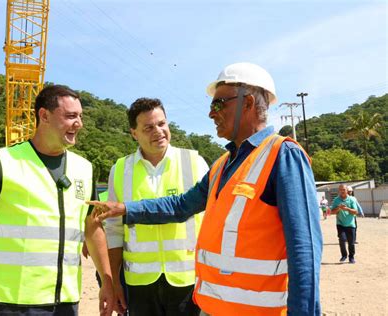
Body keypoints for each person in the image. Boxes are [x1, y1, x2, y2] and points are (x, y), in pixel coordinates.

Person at [90, 62, 322, 315]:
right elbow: (180, 206)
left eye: (219, 103)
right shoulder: (223, 165)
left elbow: (304, 250)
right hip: (214, 307)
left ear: (248, 103)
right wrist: (125, 208)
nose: (211, 113)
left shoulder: (283, 155)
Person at [0, 85, 115, 316]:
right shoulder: (2, 161)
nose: (79, 123)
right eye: (70, 116)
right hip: (9, 302)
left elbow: (92, 228)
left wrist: (107, 281)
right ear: (44, 115)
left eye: (80, 116)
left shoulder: (84, 168)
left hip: (64, 302)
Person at [104, 98, 209, 316]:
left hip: (189, 280)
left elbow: (211, 221)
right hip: (140, 283)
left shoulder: (194, 162)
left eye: (162, 124)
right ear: (134, 133)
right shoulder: (121, 169)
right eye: (149, 127)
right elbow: (113, 230)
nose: (158, 131)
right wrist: (114, 282)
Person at [331, 184, 358, 264]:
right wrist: (339, 208)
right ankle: (344, 255)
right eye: (340, 190)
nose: (342, 191)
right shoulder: (336, 200)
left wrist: (347, 208)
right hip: (340, 224)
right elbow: (332, 212)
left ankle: (351, 257)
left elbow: (356, 212)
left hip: (350, 224)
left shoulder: (351, 199)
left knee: (351, 242)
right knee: (342, 239)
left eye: (343, 189)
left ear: (347, 190)